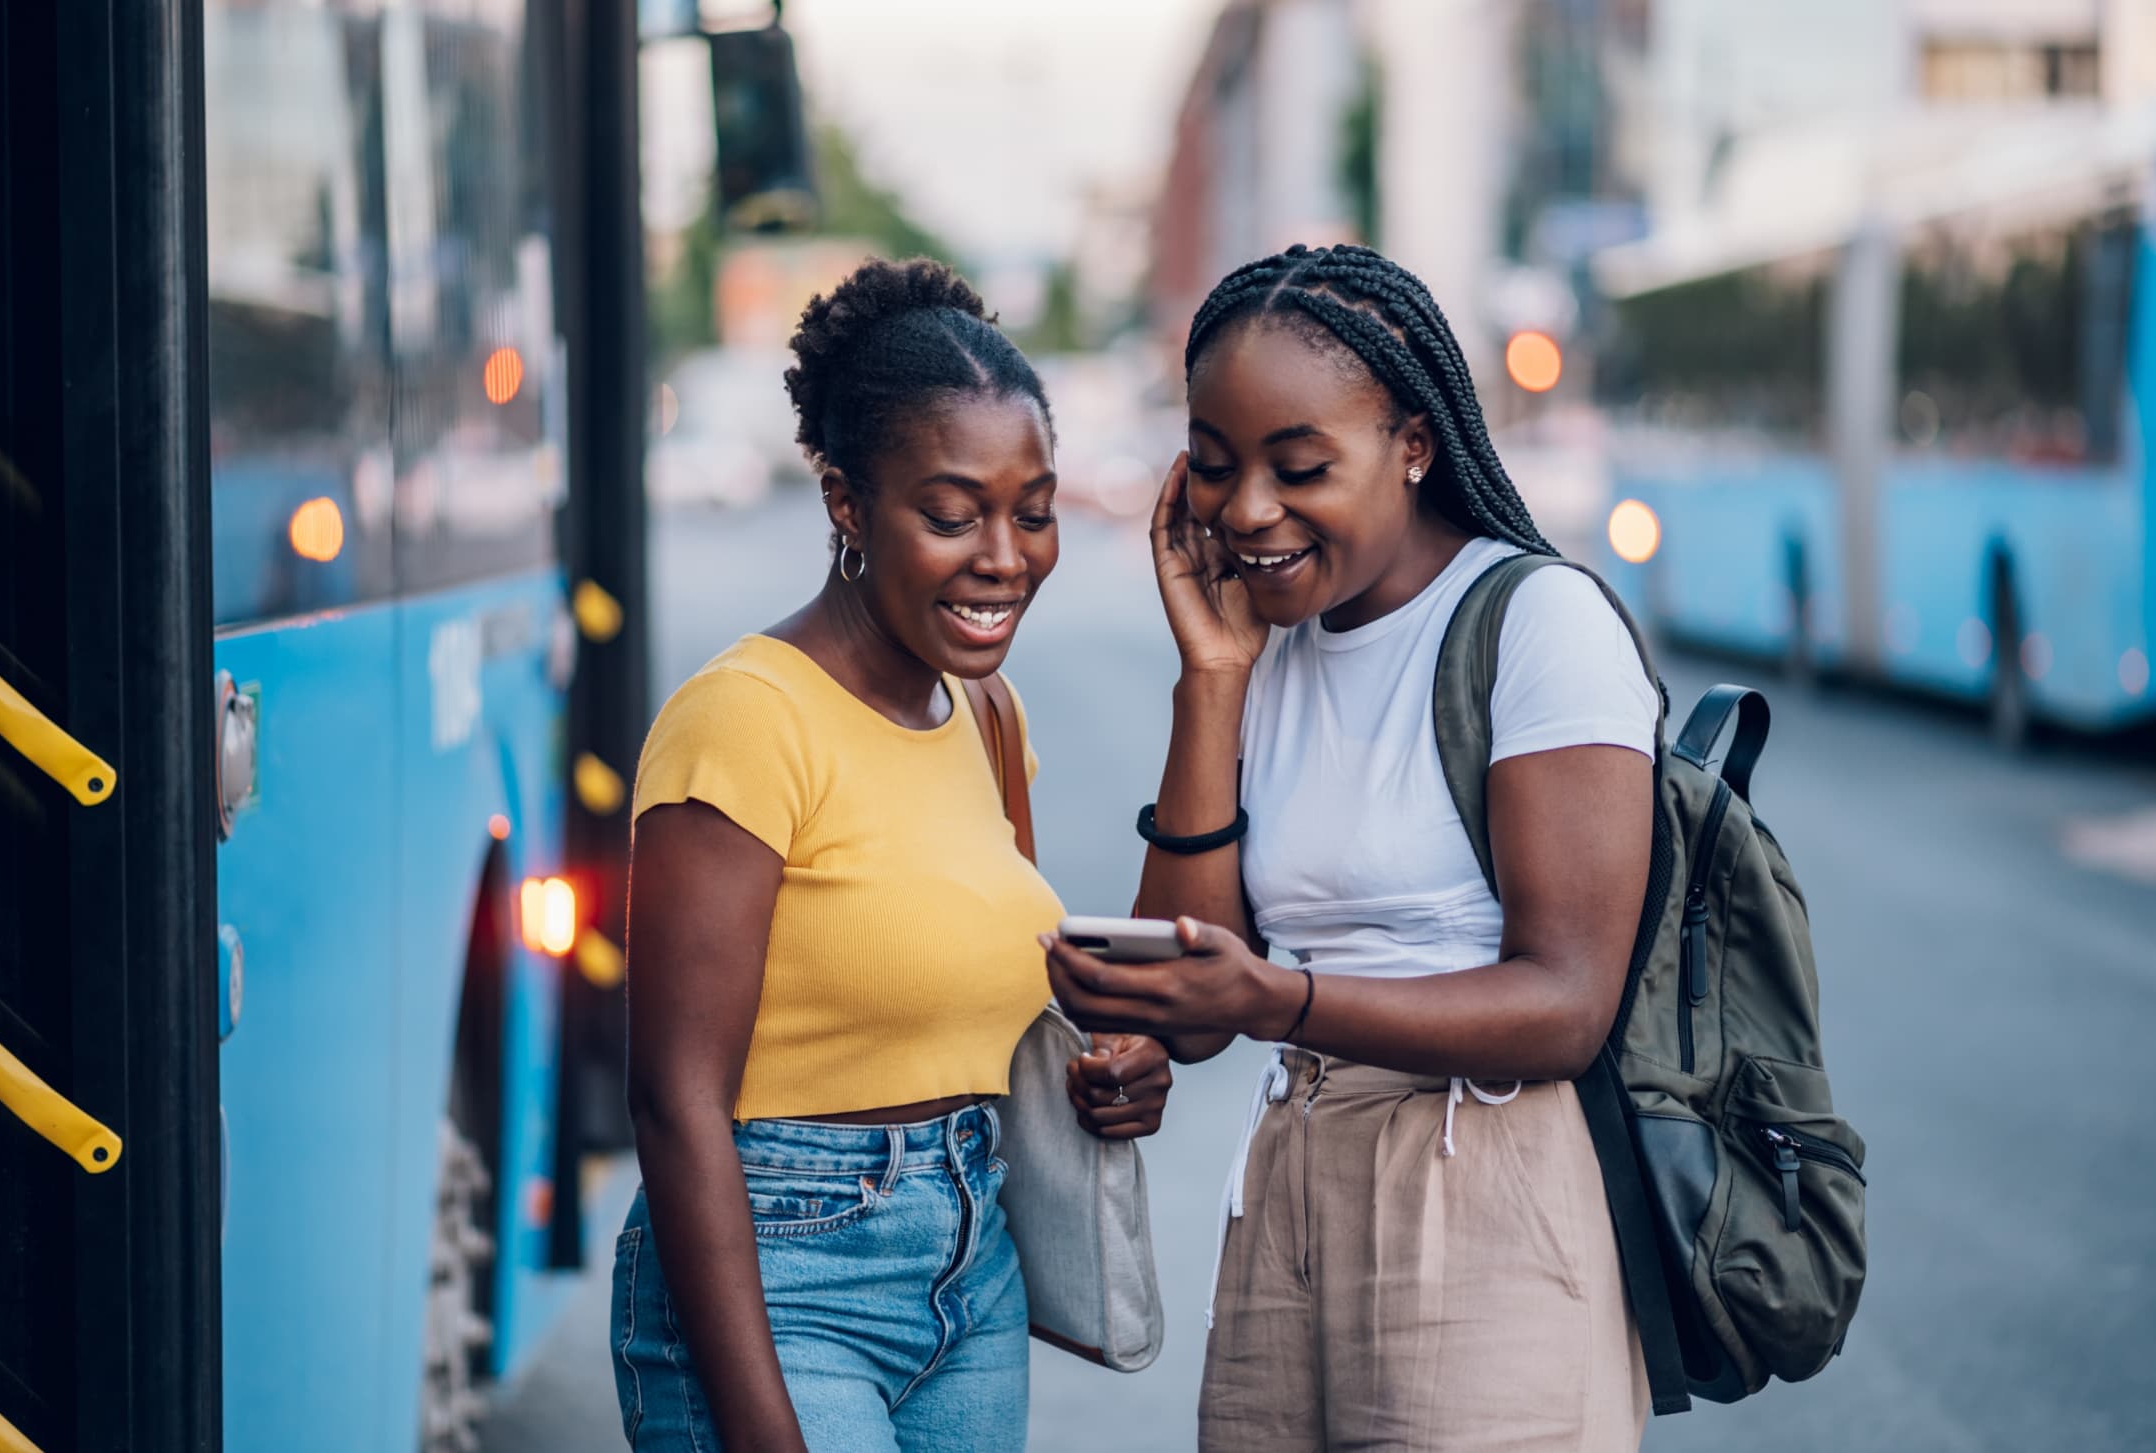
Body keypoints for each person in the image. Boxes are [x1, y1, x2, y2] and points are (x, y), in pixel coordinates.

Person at [1042, 243, 1660, 1452]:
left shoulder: (1537, 623)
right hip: (1290, 1183)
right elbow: (1192, 1010)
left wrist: (1280, 995)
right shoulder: (1267, 648)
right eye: (1214, 469)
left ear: (1414, 445)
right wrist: (1210, 681)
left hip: (1485, 1177)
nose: (1246, 512)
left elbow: (1566, 1001)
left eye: (1299, 466)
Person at [617, 257, 1173, 1453]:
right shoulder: (744, 719)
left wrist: (1112, 1072)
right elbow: (673, 1101)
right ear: (845, 504)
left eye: (1031, 509)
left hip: (972, 1277)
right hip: (778, 1275)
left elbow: (1011, 996)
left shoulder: (986, 715)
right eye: (950, 510)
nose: (1004, 554)